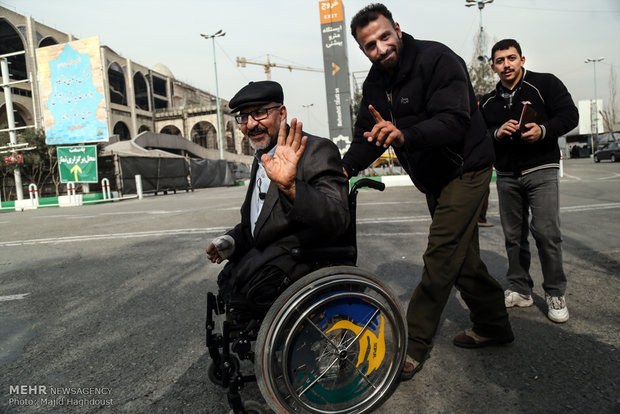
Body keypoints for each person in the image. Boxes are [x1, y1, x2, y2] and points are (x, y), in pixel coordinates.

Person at [342, 4, 513, 381]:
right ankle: (494, 325)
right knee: (461, 259)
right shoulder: (374, 84)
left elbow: (454, 120)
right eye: (370, 45)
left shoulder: (438, 59)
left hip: (467, 166)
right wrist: (343, 169)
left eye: (385, 37)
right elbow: (367, 137)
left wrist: (405, 135)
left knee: (439, 255)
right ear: (363, 50)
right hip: (434, 177)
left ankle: (412, 344)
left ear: (397, 30)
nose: (381, 48)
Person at [206, 81, 349, 316]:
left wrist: (290, 187)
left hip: (302, 260)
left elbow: (337, 219)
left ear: (282, 113)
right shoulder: (261, 157)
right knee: (232, 279)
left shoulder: (316, 150)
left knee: (252, 286)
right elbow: (258, 222)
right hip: (267, 256)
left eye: (260, 113)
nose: (251, 124)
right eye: (244, 117)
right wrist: (229, 241)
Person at [480, 39, 578, 323]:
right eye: (500, 60)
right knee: (513, 237)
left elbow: (570, 115)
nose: (506, 65)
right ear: (493, 66)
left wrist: (544, 129)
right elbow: (479, 134)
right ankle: (521, 289)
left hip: (542, 169)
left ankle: (555, 292)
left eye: (511, 58)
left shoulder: (544, 84)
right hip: (507, 174)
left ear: (522, 59)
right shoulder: (487, 101)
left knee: (547, 233)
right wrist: (497, 132)